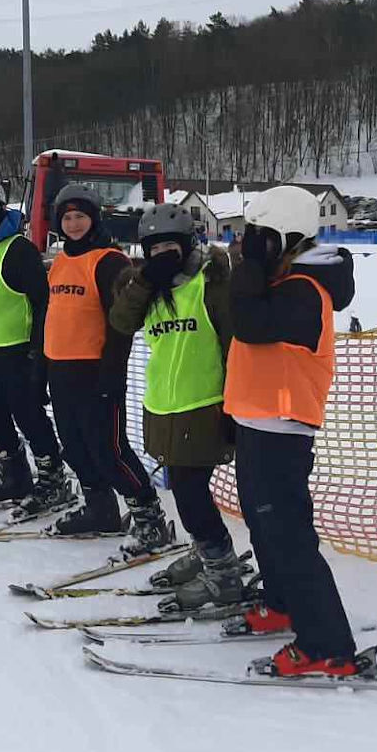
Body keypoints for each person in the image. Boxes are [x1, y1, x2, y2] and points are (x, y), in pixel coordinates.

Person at [221, 185, 368, 678]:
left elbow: (249, 324)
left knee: (289, 536)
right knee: (263, 525)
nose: (248, 246)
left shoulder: (304, 290)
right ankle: (283, 602)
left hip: (282, 429)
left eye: (258, 237)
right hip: (256, 420)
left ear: (284, 237)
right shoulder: (284, 280)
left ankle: (327, 642)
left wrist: (248, 271)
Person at [110, 202, 252, 597]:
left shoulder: (210, 282)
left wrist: (233, 406)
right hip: (162, 406)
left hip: (205, 405)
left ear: (187, 243)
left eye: (169, 247)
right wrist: (145, 281)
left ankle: (220, 566)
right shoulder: (150, 287)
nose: (161, 256)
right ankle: (205, 550)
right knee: (183, 489)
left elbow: (233, 344)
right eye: (153, 249)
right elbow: (121, 322)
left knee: (190, 496)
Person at [44, 185, 173, 557]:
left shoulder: (109, 260)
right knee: (76, 446)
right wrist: (42, 366)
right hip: (61, 369)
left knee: (110, 450)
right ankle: (100, 509)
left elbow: (121, 322)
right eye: (67, 217)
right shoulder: (62, 260)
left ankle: (150, 519)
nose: (73, 224)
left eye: (80, 216)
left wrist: (112, 372)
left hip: (95, 371)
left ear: (94, 218)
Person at [0, 176, 69, 514]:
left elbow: (41, 303)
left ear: (0, 210)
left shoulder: (19, 250)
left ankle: (53, 480)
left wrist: (38, 354)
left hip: (15, 351)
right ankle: (16, 475)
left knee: (29, 417)